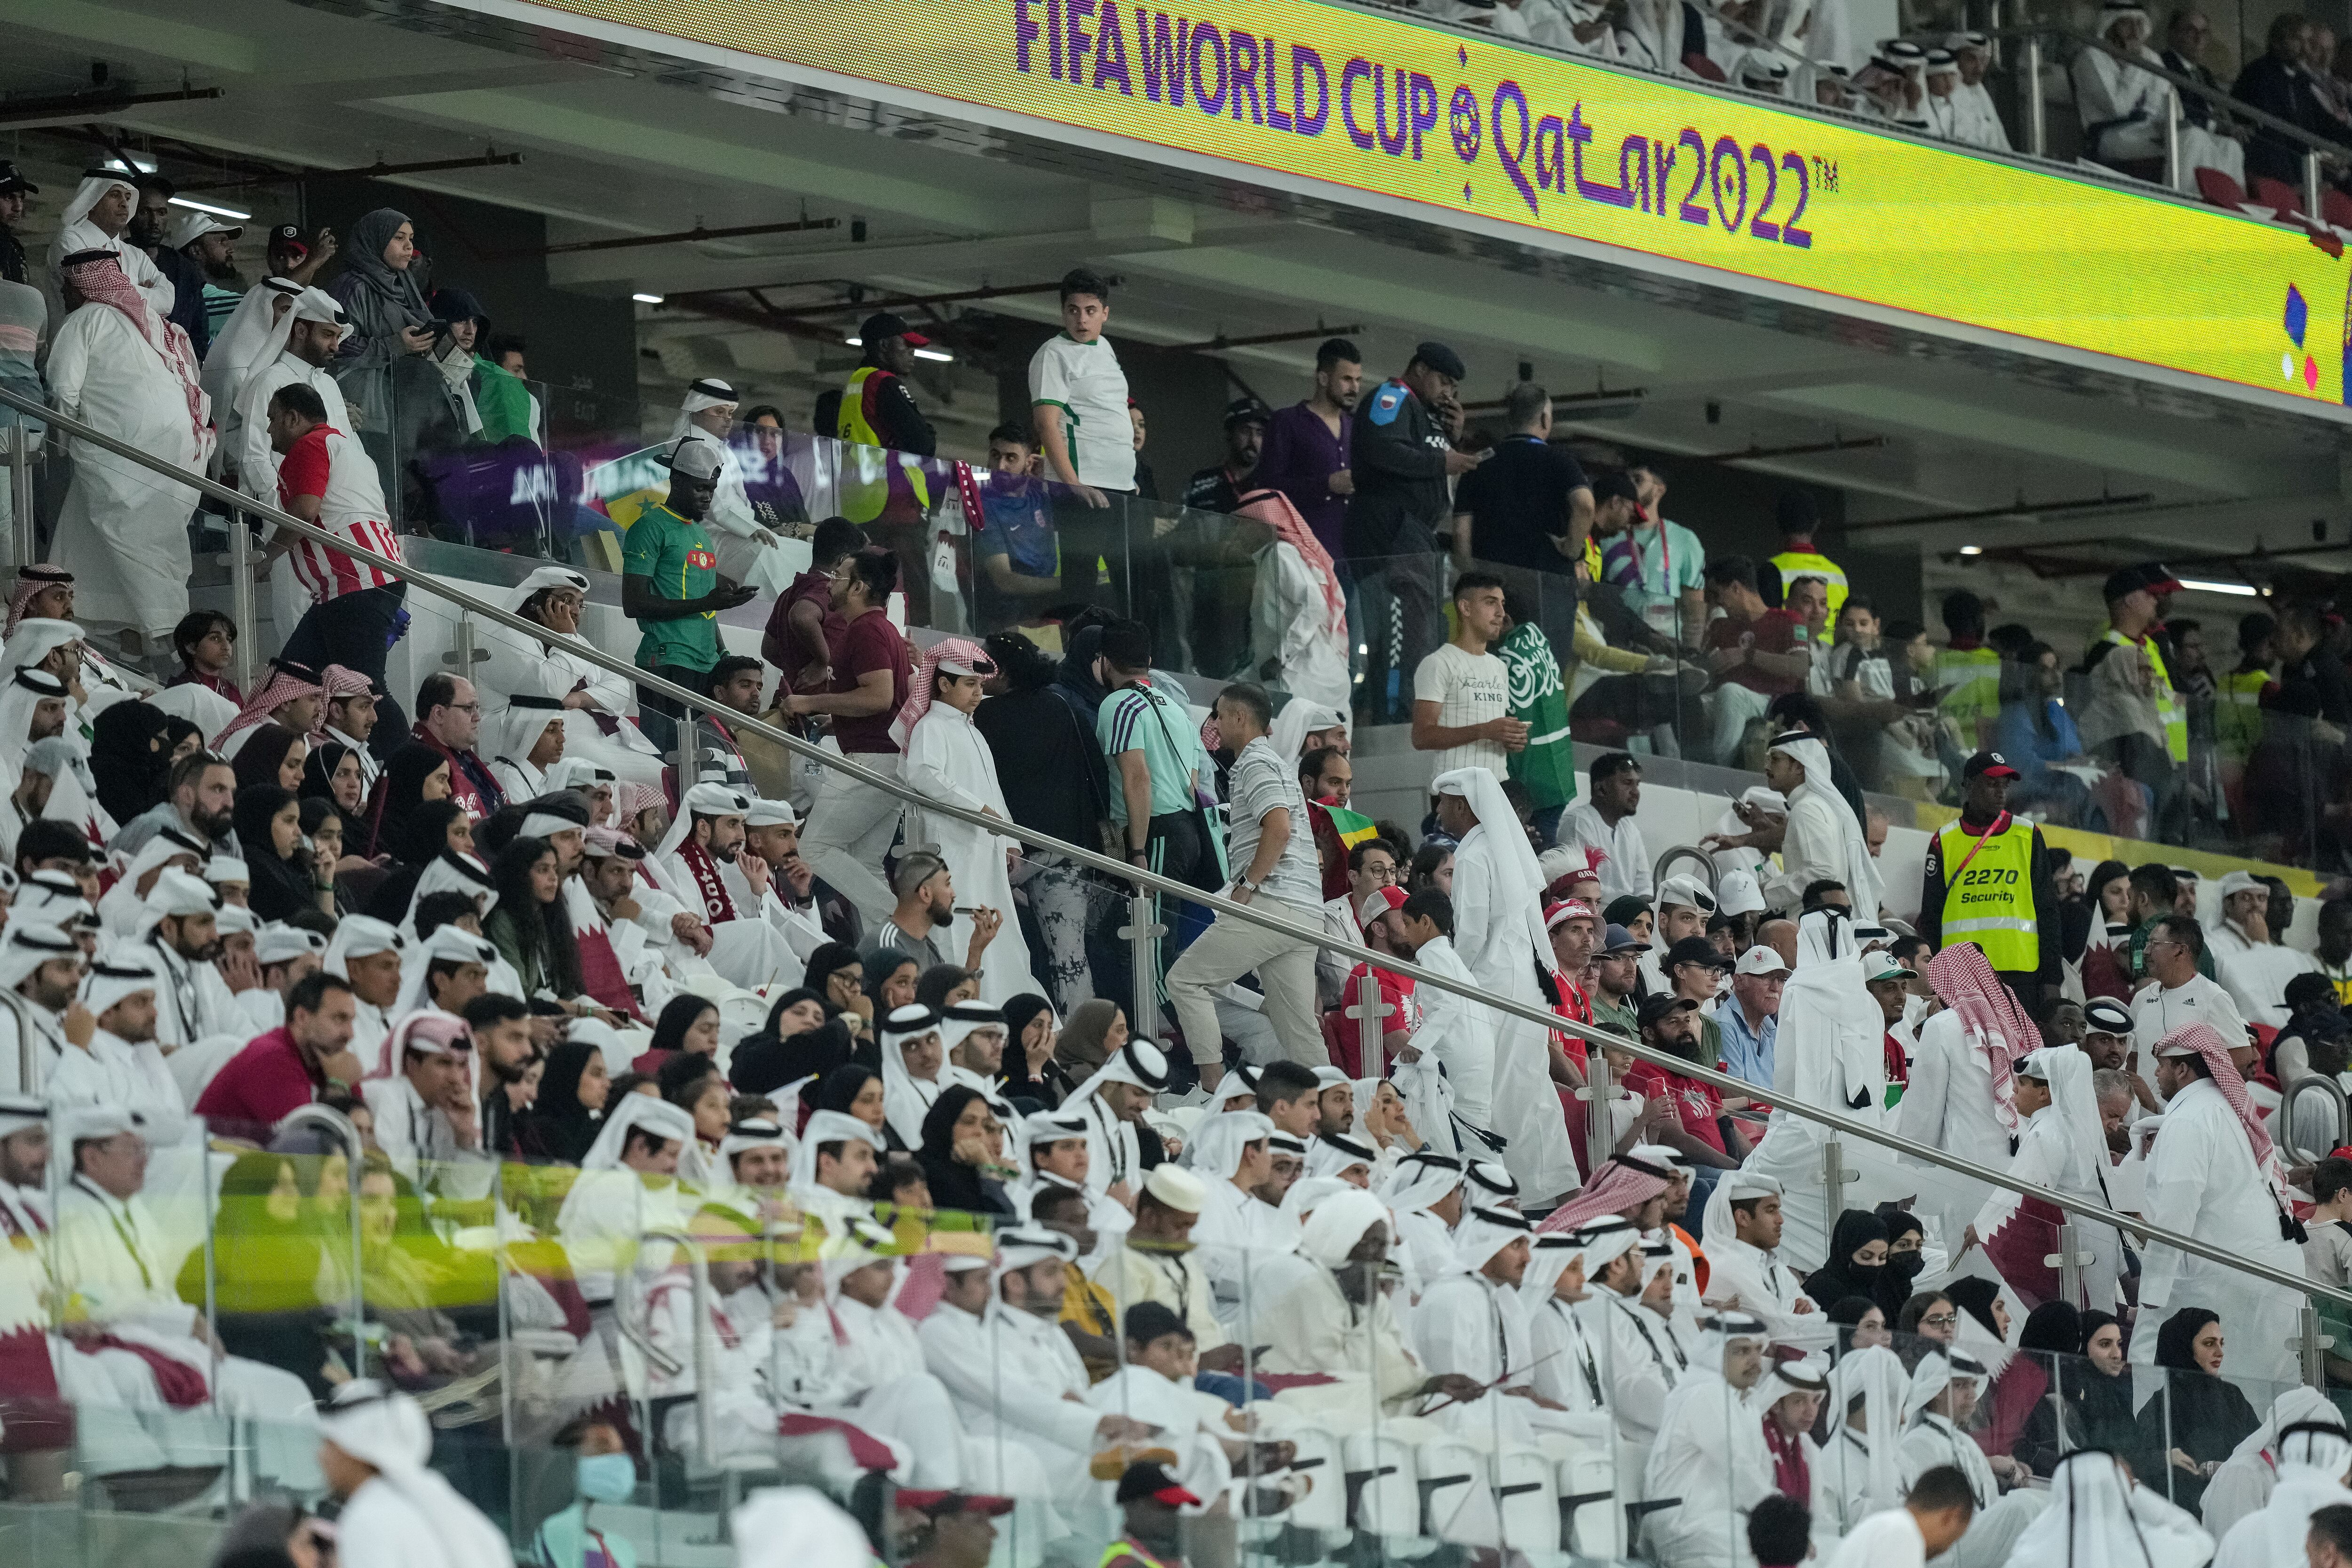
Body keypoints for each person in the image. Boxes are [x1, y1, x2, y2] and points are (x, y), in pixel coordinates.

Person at [49, 249, 213, 672]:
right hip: (177, 448)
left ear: (80, 286)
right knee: (84, 529)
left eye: (67, 286)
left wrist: (65, 441)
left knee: (139, 538)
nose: (64, 294)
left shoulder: (86, 319)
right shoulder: (149, 322)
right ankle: (123, 641)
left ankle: (174, 640)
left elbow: (63, 392)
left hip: (125, 445)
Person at [1432, 766, 1579, 1197]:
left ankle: (1511, 1192)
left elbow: (1473, 933)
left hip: (1495, 983)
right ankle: (1558, 1189)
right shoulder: (1502, 849)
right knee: (1530, 1087)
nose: (1438, 810)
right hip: (1525, 985)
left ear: (1462, 804)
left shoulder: (1475, 855)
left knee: (1499, 1090)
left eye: (1442, 802)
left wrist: (1451, 976)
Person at [1167, 683, 1322, 1081]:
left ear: (1239, 717)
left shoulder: (1256, 763)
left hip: (1272, 903)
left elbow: (1279, 828)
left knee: (1185, 980)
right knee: (1299, 1032)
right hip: (1304, 914)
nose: (1214, 723)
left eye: (1218, 714)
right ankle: (1337, 1117)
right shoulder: (1274, 763)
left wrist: (1248, 885)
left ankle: (1215, 1087)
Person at [897, 639, 1036, 1004]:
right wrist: (978, 809)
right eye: (970, 684)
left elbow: (993, 790)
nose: (979, 693)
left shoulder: (972, 731)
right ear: (943, 684)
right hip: (954, 848)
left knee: (998, 931)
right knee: (958, 928)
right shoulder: (931, 726)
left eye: (980, 684)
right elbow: (923, 773)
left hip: (986, 848)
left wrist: (1010, 840)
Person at [1349, 341, 1479, 723]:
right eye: (1442, 381)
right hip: (1389, 532)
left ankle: (1408, 713)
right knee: (1397, 635)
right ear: (1420, 370)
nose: (1447, 393)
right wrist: (1444, 460)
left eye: (1454, 388)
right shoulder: (1392, 399)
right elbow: (1384, 451)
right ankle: (1390, 716)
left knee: (1421, 635)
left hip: (1415, 535)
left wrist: (1453, 436)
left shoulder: (1427, 413)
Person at [786, 547, 910, 929]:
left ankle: (901, 921)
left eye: (838, 577)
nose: (830, 583)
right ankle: (896, 948)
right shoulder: (881, 628)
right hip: (889, 761)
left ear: (858, 587)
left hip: (872, 761)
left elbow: (878, 696)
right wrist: (836, 716)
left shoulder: (867, 630)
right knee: (865, 862)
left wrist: (808, 701)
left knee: (814, 847)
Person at [620, 437, 759, 753]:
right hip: (666, 661)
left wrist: (724, 655)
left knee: (703, 760)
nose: (707, 497)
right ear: (676, 480)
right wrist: (708, 602)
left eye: (711, 489)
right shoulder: (649, 528)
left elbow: (707, 611)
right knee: (667, 759)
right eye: (700, 488)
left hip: (706, 664)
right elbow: (634, 603)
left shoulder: (700, 534)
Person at [1027, 270, 1137, 613]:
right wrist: (1073, 485)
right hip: (1083, 488)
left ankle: (1133, 658)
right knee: (1082, 583)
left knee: (1131, 585)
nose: (1081, 319)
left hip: (1121, 487)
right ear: (1063, 312)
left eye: (1090, 310)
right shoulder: (1054, 354)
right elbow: (1047, 425)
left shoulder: (1105, 349)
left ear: (1105, 313)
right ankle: (1081, 657)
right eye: (1073, 310)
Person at [316, 1379, 509, 1568]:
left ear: (353, 1451)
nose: (320, 1457)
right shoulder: (461, 1516)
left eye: (329, 1445)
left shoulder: (369, 1519)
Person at [1917, 751, 2060, 1005]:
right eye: (1992, 784)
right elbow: (1931, 915)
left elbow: (2047, 909)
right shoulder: (1944, 840)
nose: (2001, 792)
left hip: (2021, 974)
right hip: (1961, 975)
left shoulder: (2027, 835)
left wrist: (2051, 979)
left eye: (2004, 785)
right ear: (1969, 786)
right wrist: (1938, 978)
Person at [1449, 383, 1591, 628]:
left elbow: (1462, 533)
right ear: (1545, 419)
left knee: (1495, 661)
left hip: (1494, 587)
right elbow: (1585, 507)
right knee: (1545, 662)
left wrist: (1475, 576)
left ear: (1510, 419)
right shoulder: (1560, 461)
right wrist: (1570, 550)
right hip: (1547, 585)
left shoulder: (1479, 464)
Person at [1645, 1311, 1777, 1568]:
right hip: (1685, 1523)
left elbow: (1761, 1474)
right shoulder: (1705, 1394)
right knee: (1775, 1550)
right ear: (1715, 1355)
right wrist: (1781, 1521)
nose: (1755, 1361)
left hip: (1727, 1520)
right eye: (1742, 1352)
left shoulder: (1745, 1403)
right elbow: (1738, 1466)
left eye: (1757, 1351)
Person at [2081, 564, 2190, 844]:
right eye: (2149, 595)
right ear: (2129, 600)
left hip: (2165, 757)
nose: (2156, 600)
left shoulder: (2147, 647)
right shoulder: (2108, 654)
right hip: (2138, 768)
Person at [1253, 336, 1358, 563]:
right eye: (1347, 380)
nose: (1355, 388)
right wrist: (1327, 485)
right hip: (1301, 557)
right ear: (1323, 378)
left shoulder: (1356, 427)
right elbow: (1268, 489)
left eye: (1358, 380)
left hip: (1350, 559)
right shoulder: (1287, 422)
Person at [1411, 570, 1525, 780]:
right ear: (1465, 608)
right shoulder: (1438, 663)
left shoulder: (1499, 667)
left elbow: (1492, 731)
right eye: (1491, 603)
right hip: (1455, 789)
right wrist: (1485, 731)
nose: (1501, 612)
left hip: (1497, 783)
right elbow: (1421, 737)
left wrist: (1510, 739)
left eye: (1502, 603)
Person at [1762, 729, 1882, 919]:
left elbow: (1822, 872)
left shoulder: (1807, 809)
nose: (1767, 765)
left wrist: (1768, 891)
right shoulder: (1815, 805)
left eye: (1775, 759)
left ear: (1799, 767)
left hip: (1814, 922)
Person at [2211, 867, 2317, 1030]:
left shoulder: (2272, 944)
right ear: (2228, 904)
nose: (2255, 905)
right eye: (2246, 898)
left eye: (2261, 898)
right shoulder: (2214, 941)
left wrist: (2261, 943)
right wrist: (2260, 944)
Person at [2132, 914, 2248, 1046]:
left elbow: (2242, 1054)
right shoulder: (2141, 999)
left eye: (2155, 944)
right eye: (2148, 943)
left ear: (2180, 951)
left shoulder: (2214, 998)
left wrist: (2195, 1067)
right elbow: (2132, 1057)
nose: (2146, 951)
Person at [1561, 751, 1652, 903]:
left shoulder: (1631, 830)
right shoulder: (1579, 822)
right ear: (1601, 789)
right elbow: (1584, 885)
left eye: (1637, 784)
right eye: (1627, 783)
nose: (1636, 792)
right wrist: (1633, 905)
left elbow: (1644, 884)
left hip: (1628, 916)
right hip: (1591, 917)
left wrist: (1650, 907)